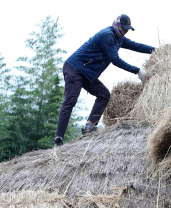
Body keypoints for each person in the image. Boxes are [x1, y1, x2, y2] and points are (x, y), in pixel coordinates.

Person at [53, 14, 155, 147]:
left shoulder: (119, 39)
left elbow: (137, 46)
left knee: (104, 95)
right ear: (118, 25)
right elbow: (115, 60)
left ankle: (90, 126)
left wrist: (156, 51)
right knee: (70, 100)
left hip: (86, 73)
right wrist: (137, 71)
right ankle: (58, 139)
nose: (125, 31)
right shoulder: (107, 35)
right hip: (74, 69)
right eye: (124, 28)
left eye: (127, 29)